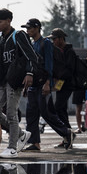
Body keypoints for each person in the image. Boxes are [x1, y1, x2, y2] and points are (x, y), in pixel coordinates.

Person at [22, 19, 73, 151]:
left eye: (29, 28)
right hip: (33, 84)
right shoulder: (33, 44)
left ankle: (67, 132)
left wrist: (48, 83)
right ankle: (34, 142)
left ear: (37, 28)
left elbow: (49, 64)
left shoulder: (46, 43)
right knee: (31, 114)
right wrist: (26, 86)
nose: (27, 30)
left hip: (43, 83)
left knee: (46, 113)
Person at [0, 8, 36, 158]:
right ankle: (21, 134)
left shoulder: (19, 35)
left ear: (9, 21)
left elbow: (31, 55)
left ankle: (12, 148)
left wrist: (29, 73)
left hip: (14, 80)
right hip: (2, 82)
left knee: (11, 114)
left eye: (0, 22)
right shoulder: (1, 39)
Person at [48, 28, 79, 148]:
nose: (53, 41)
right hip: (61, 83)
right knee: (62, 109)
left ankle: (68, 133)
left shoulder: (69, 51)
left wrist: (58, 76)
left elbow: (69, 70)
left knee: (58, 107)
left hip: (67, 83)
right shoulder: (58, 50)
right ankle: (67, 136)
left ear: (61, 39)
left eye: (55, 39)